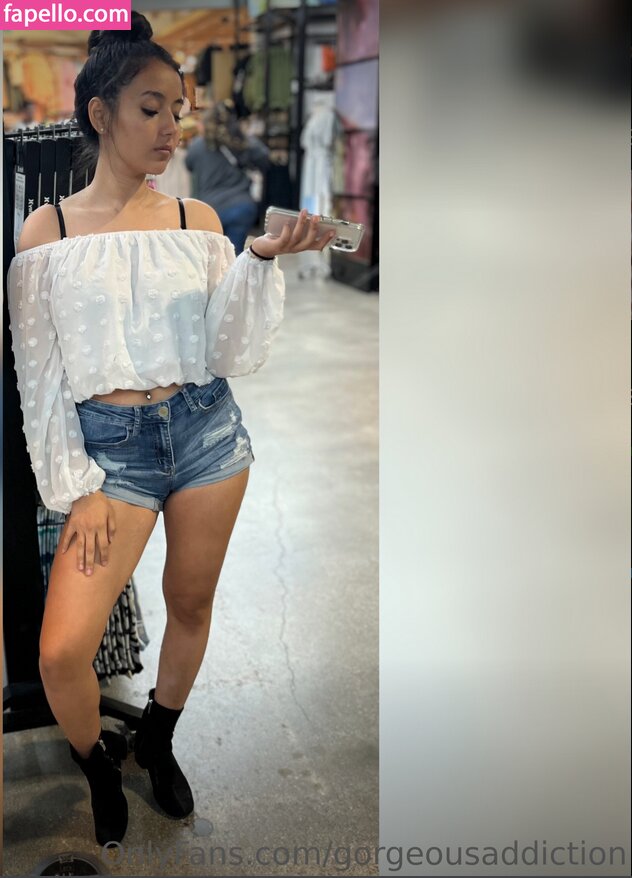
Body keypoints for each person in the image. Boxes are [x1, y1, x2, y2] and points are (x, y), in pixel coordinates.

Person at [6, 12, 333, 847]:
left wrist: (259, 261)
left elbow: (227, 350)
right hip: (109, 456)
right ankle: (96, 762)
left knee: (192, 601)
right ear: (99, 113)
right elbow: (40, 380)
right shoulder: (48, 232)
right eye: (150, 108)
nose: (170, 128)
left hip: (206, 434)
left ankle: (158, 734)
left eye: (177, 111)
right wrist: (75, 487)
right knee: (60, 652)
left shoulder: (196, 221)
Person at [185, 99, 270, 254]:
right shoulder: (241, 142)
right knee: (233, 257)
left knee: (211, 259)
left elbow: (189, 164)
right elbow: (264, 157)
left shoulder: (198, 146)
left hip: (209, 210)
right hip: (241, 207)